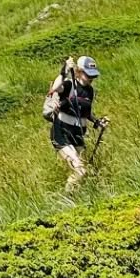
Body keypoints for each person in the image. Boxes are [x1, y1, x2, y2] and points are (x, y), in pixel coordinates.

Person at [45, 55, 108, 190]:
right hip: (62, 132)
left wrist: (97, 122)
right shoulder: (69, 85)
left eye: (93, 76)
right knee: (80, 170)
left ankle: (76, 194)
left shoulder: (90, 91)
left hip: (78, 135)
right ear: (79, 71)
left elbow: (86, 112)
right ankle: (66, 198)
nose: (91, 78)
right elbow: (55, 88)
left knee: (87, 170)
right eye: (88, 74)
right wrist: (64, 70)